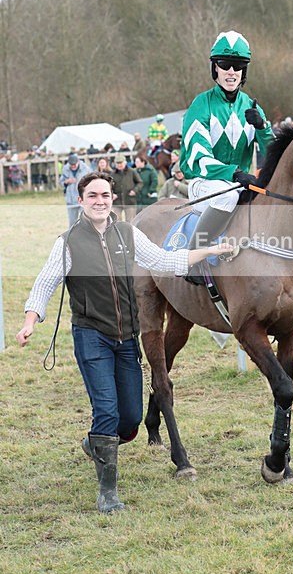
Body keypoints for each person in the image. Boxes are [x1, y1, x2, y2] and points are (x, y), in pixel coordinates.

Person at [16, 172, 233, 512]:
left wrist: (211, 250)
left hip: (127, 339)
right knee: (106, 410)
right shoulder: (68, 242)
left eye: (105, 194)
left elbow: (164, 261)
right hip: (91, 337)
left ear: (113, 199)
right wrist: (31, 321)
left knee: (129, 420)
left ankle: (95, 442)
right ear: (81, 200)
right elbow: (45, 283)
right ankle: (108, 493)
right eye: (92, 196)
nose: (99, 200)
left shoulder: (129, 234)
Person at [180, 30, 275, 281]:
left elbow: (274, 153)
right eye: (225, 65)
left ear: (244, 72)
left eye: (238, 66)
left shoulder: (252, 107)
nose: (231, 71)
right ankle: (192, 258)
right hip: (205, 184)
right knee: (229, 197)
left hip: (240, 182)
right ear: (215, 68)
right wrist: (233, 172)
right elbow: (197, 157)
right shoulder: (201, 104)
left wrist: (263, 128)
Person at [59, 153, 91, 226]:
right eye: (71, 165)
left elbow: (91, 182)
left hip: (83, 199)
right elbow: (60, 183)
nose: (73, 166)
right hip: (71, 200)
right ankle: (72, 237)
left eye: (74, 165)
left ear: (78, 162)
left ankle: (87, 236)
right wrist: (66, 182)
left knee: (85, 221)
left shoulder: (86, 169)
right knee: (72, 223)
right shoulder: (65, 169)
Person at [110, 153, 142, 221]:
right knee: (117, 222)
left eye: (120, 162)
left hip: (130, 201)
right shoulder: (112, 174)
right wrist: (112, 194)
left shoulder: (132, 171)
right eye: (117, 163)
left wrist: (134, 190)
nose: (119, 165)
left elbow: (140, 182)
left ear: (125, 162)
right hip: (117, 202)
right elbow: (109, 187)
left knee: (130, 221)